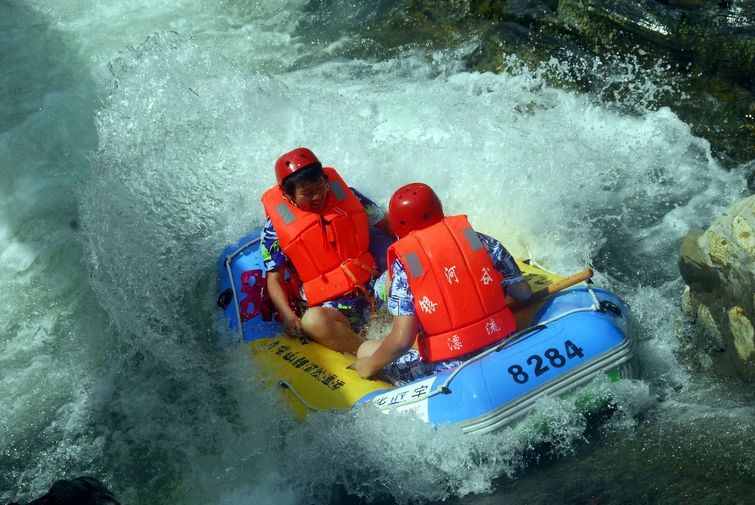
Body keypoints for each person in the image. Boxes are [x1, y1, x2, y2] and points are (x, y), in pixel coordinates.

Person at [354, 182, 532, 383]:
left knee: (365, 350)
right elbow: (523, 293)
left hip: (448, 368)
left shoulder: (406, 267)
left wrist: (369, 364)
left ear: (397, 225)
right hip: (503, 342)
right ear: (438, 208)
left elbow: (402, 341)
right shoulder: (479, 241)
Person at [260, 147, 393, 355]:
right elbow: (274, 279)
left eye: (320, 187)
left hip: (372, 289)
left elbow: (385, 223)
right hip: (331, 308)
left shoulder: (348, 196)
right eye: (307, 193)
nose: (317, 197)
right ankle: (371, 356)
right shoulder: (274, 229)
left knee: (401, 277)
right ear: (288, 195)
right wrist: (288, 315)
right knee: (312, 321)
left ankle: (407, 341)